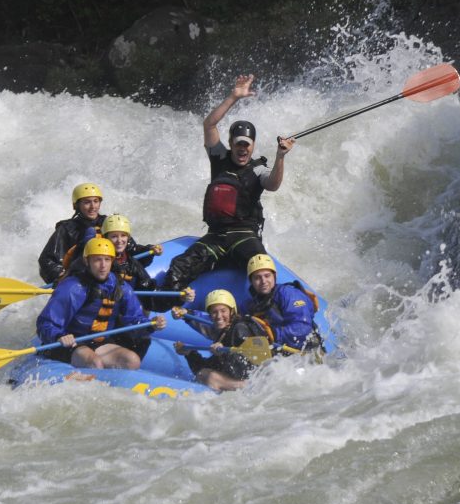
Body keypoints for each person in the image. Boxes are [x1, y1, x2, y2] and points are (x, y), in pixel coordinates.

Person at [162, 74, 295, 290]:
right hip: (216, 236)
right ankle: (162, 308)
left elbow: (273, 184)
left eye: (247, 145)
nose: (243, 149)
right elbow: (209, 125)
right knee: (180, 266)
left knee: (260, 269)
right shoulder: (219, 158)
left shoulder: (258, 168)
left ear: (253, 146)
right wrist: (234, 96)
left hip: (245, 236)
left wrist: (281, 156)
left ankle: (265, 312)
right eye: (239, 144)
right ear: (232, 144)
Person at [35, 237, 165, 370]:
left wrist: (151, 324)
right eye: (97, 259)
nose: (103, 265)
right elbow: (45, 322)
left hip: (99, 342)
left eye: (107, 259)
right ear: (87, 261)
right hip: (69, 342)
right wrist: (58, 336)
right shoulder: (72, 287)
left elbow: (134, 318)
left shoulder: (121, 286)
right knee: (94, 363)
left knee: (132, 361)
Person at [173, 289, 269, 391]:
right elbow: (206, 367)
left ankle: (245, 388)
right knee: (203, 374)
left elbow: (246, 369)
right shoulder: (223, 334)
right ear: (209, 315)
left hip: (258, 381)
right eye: (214, 312)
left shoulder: (240, 329)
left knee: (209, 376)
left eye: (223, 311)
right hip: (243, 379)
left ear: (231, 311)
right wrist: (189, 354)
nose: (219, 316)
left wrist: (223, 354)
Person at [100, 214, 193, 311]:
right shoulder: (100, 264)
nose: (119, 240)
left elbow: (151, 296)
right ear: (105, 238)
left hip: (128, 309)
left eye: (123, 235)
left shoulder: (131, 262)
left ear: (128, 238)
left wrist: (179, 298)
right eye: (114, 236)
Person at [243, 254, 319, 352]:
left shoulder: (289, 294)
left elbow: (303, 328)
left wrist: (274, 334)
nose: (263, 281)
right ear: (251, 281)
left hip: (306, 352)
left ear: (274, 276)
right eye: (257, 278)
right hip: (279, 353)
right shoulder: (251, 305)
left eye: (267, 276)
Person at [38, 182, 106, 284]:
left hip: (107, 275)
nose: (93, 206)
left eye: (96, 201)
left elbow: (128, 248)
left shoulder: (109, 223)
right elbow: (46, 260)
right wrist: (61, 274)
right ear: (77, 205)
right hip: (79, 279)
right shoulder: (66, 229)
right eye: (87, 202)